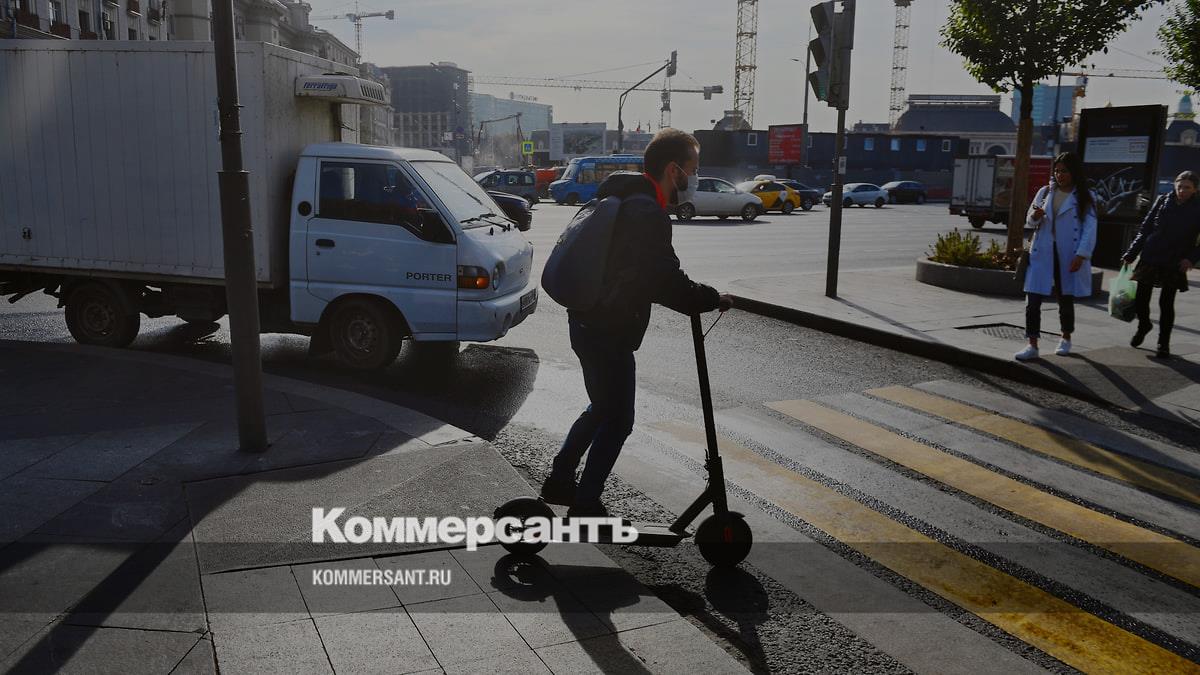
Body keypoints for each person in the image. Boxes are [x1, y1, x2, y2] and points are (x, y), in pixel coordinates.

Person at [540, 128, 733, 517]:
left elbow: (643, 270)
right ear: (674, 169)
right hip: (608, 328)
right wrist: (710, 298)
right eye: (692, 170)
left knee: (601, 407)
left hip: (586, 321)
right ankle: (586, 503)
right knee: (618, 419)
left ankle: (561, 479)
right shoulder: (646, 211)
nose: (692, 179)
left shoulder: (622, 196)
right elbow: (662, 279)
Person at [1015, 152, 1098, 361]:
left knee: (1065, 298)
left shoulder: (1085, 196)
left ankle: (1066, 337)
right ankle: (1032, 344)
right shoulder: (1044, 192)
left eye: (1064, 171)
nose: (1060, 175)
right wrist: (1035, 216)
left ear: (1074, 172)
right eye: (1057, 170)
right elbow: (1029, 220)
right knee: (1032, 299)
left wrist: (1082, 254)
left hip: (1068, 252)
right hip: (1042, 251)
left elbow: (1090, 227)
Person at [1122, 170, 1200, 359]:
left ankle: (1163, 343)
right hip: (1151, 255)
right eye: (1179, 186)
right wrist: (1131, 253)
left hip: (1175, 260)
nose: (1182, 190)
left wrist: (1190, 258)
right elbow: (1145, 228)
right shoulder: (1162, 200)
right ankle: (1144, 325)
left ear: (1195, 189)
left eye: (1187, 187)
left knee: (1166, 303)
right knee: (1141, 299)